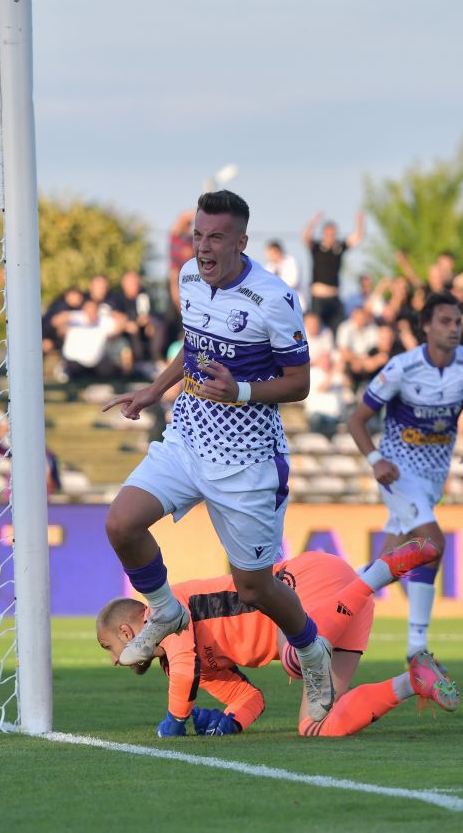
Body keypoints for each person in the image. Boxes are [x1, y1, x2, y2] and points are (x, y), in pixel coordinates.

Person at [100, 190, 336, 725]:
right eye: (198, 236)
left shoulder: (274, 299)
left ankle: (312, 651)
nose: (204, 248)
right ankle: (163, 612)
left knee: (253, 586)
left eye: (216, 238)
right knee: (121, 524)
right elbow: (192, 346)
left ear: (241, 242)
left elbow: (300, 383)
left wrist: (243, 392)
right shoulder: (189, 277)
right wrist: (155, 391)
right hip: (187, 439)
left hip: (248, 461)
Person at [96, 543, 458, 738]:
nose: (115, 660)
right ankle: (414, 681)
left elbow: (185, 667)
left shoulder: (166, 612)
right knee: (316, 726)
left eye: (110, 648)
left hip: (305, 584)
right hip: (338, 613)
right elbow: (248, 697)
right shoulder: (175, 662)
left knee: (298, 657)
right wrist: (230, 722)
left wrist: (177, 719)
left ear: (127, 633)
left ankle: (377, 573)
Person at [347, 292, 463, 663]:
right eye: (445, 322)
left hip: (433, 476)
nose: (454, 329)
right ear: (426, 327)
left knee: (390, 559)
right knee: (433, 544)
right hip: (398, 471)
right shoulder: (402, 368)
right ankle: (416, 646)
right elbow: (357, 419)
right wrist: (374, 459)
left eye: (457, 322)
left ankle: (335, 595)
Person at [303, 211, 364, 329]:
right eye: (328, 233)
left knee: (339, 328)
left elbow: (357, 238)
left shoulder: (339, 248)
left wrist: (360, 223)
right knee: (315, 328)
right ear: (323, 234)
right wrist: (314, 222)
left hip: (334, 298)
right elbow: (305, 238)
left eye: (333, 233)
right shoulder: (317, 248)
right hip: (319, 298)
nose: (331, 236)